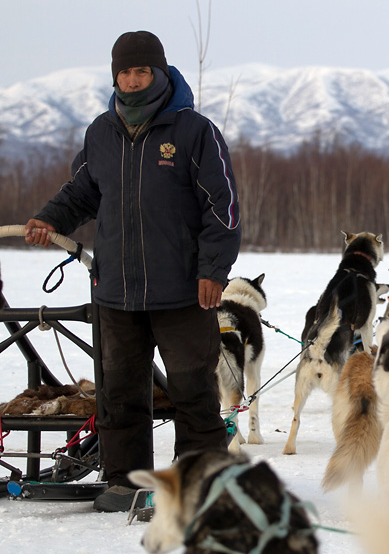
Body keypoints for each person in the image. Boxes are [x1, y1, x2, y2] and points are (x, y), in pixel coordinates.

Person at [25, 31, 241, 512]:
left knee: (191, 392)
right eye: (124, 71)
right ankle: (126, 482)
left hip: (184, 290)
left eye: (142, 71)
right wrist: (48, 219)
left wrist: (213, 270)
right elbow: (81, 192)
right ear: (115, 76)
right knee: (120, 393)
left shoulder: (193, 131)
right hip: (116, 291)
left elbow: (221, 209)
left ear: (160, 73)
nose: (133, 79)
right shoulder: (101, 132)